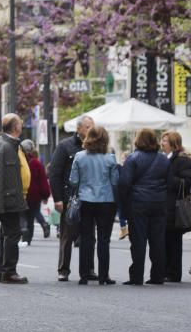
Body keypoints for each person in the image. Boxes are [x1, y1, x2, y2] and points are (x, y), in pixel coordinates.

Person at [119, 128, 171, 285]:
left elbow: (124, 183)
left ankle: (137, 276)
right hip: (159, 203)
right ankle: (157, 276)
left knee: (138, 241)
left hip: (138, 203)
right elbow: (170, 183)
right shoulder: (164, 160)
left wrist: (123, 204)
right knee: (158, 241)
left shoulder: (132, 159)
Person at [68, 125, 119, 286]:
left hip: (86, 200)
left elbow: (73, 180)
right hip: (105, 200)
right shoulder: (110, 158)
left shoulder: (79, 156)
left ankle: (84, 275)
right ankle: (104, 276)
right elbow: (115, 181)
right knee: (104, 239)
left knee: (86, 238)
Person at [48, 115, 95, 282]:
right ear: (79, 129)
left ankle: (89, 269)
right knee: (68, 235)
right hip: (71, 198)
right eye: (88, 127)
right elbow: (54, 173)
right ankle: (63, 269)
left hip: (90, 197)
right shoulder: (65, 146)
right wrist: (58, 199)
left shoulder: (96, 146)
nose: (91, 130)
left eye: (92, 126)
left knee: (89, 235)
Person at [0, 114, 29, 284]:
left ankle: (4, 271)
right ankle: (9, 272)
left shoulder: (10, 145)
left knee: (8, 234)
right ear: (15, 127)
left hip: (11, 198)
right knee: (13, 234)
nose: (22, 124)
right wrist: (0, 205)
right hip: (8, 199)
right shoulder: (4, 146)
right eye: (20, 122)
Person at [160, 131, 191, 283]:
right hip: (165, 206)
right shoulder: (163, 158)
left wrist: (167, 177)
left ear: (174, 143)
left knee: (174, 241)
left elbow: (186, 182)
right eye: (162, 140)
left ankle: (174, 273)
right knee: (165, 240)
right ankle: (166, 270)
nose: (162, 143)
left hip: (174, 206)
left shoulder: (182, 160)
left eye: (165, 141)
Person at [19, 140, 52, 246]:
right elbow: (42, 180)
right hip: (35, 195)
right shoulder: (37, 163)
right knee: (32, 215)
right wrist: (45, 195)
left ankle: (24, 233)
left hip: (22, 193)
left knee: (22, 214)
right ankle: (29, 238)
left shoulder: (18, 161)